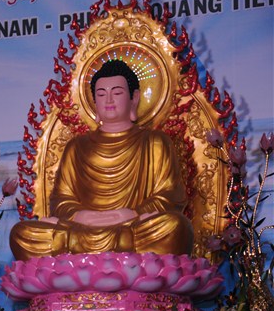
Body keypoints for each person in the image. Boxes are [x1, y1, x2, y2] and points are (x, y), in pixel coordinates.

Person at [10, 60, 194, 261]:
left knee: (175, 227)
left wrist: (131, 214)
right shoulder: (76, 147)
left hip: (133, 225)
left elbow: (170, 196)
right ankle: (112, 251)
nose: (109, 100)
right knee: (22, 234)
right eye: (101, 94)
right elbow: (61, 201)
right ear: (94, 102)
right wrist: (81, 216)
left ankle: (83, 255)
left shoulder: (155, 142)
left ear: (134, 98)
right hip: (84, 228)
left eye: (117, 93)